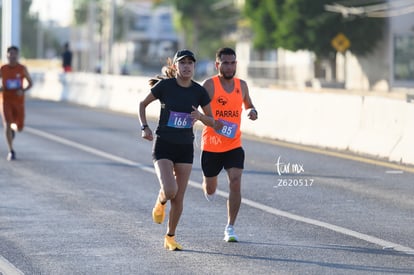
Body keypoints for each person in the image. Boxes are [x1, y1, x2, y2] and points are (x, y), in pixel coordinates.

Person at [138, 49, 215, 251]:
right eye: (183, 63)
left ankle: (170, 237)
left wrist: (200, 117)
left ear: (194, 66)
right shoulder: (165, 86)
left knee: (179, 197)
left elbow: (213, 121)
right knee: (170, 190)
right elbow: (142, 104)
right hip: (163, 144)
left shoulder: (199, 91)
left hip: (185, 148)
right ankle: (161, 201)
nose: (187, 66)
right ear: (176, 66)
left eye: (191, 63)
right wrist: (144, 127)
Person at [201, 47, 258, 242]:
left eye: (233, 62)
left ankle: (230, 227)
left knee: (235, 181)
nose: (229, 66)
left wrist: (252, 111)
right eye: (225, 63)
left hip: (234, 144)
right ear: (218, 65)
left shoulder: (241, 85)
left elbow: (249, 104)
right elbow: (200, 112)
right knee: (210, 188)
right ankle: (209, 186)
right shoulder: (209, 85)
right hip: (212, 144)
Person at [0, 46, 33, 161]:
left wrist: (22, 90)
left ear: (17, 55)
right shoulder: (2, 69)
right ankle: (11, 150)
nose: (12, 56)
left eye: (14, 54)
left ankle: (13, 129)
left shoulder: (22, 69)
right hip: (5, 100)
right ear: (7, 55)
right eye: (10, 54)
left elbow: (30, 83)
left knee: (20, 127)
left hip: (18, 102)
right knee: (7, 124)